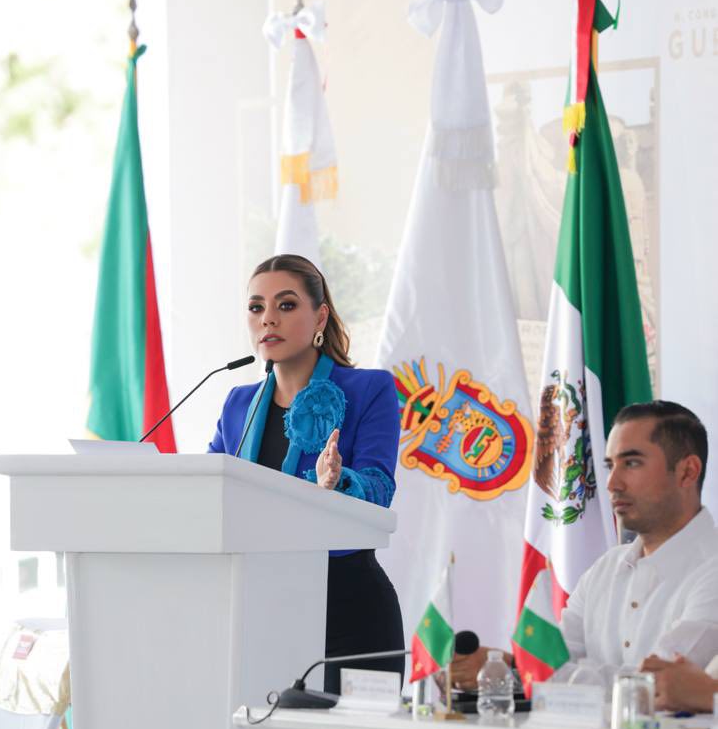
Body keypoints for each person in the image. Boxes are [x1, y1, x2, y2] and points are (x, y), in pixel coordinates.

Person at [208, 253, 404, 693]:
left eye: (286, 305)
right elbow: (212, 491)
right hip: (260, 611)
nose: (268, 319)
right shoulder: (238, 402)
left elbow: (379, 487)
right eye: (256, 307)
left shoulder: (371, 389)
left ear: (320, 315)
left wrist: (338, 482)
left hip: (350, 612)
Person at [451, 400, 718, 688]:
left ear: (687, 472)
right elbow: (556, 660)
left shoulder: (712, 569)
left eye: (631, 463)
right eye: (609, 465)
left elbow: (656, 687)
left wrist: (526, 669)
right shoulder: (604, 569)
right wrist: (504, 670)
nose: (612, 483)